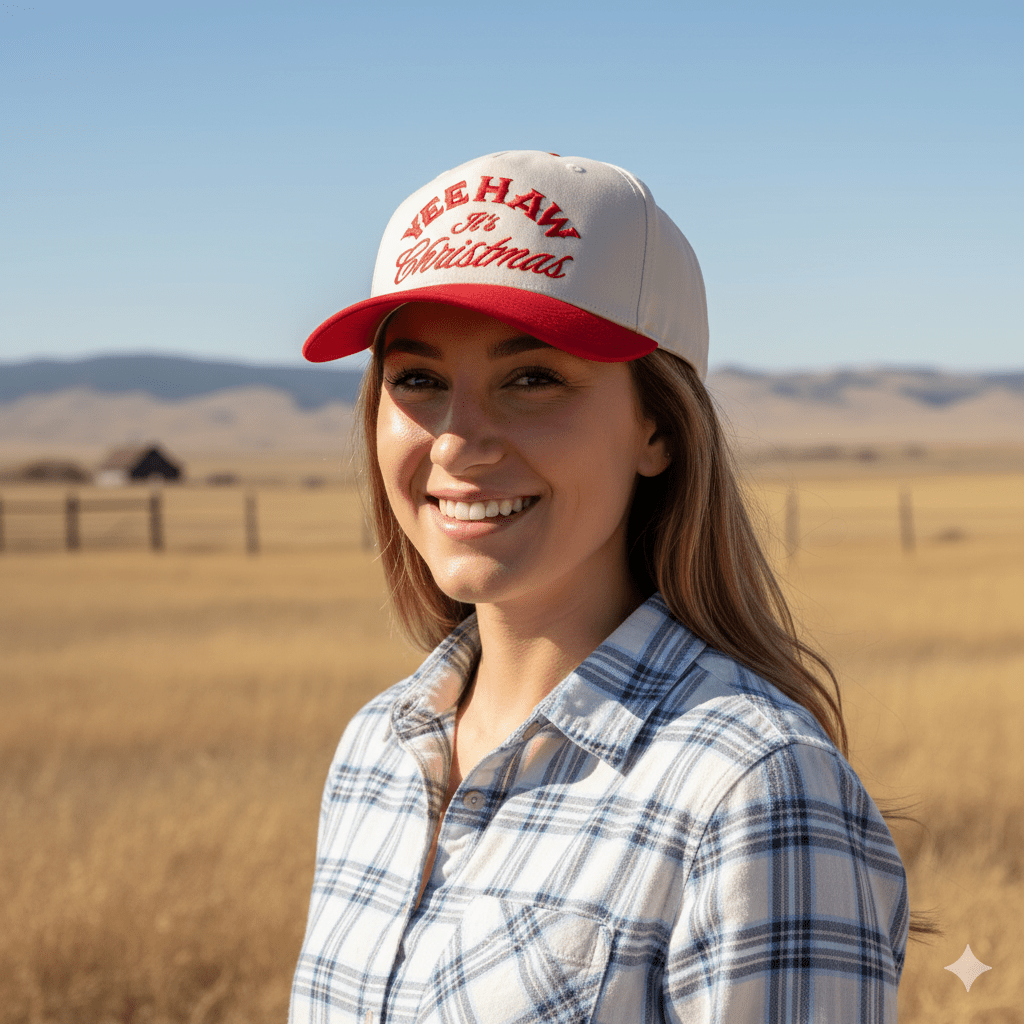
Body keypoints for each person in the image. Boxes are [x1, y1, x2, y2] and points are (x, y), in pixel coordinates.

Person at [289, 151, 910, 1023]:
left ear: (657, 427)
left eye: (532, 378)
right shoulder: (376, 755)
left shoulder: (752, 790)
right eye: (418, 379)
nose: (458, 441)